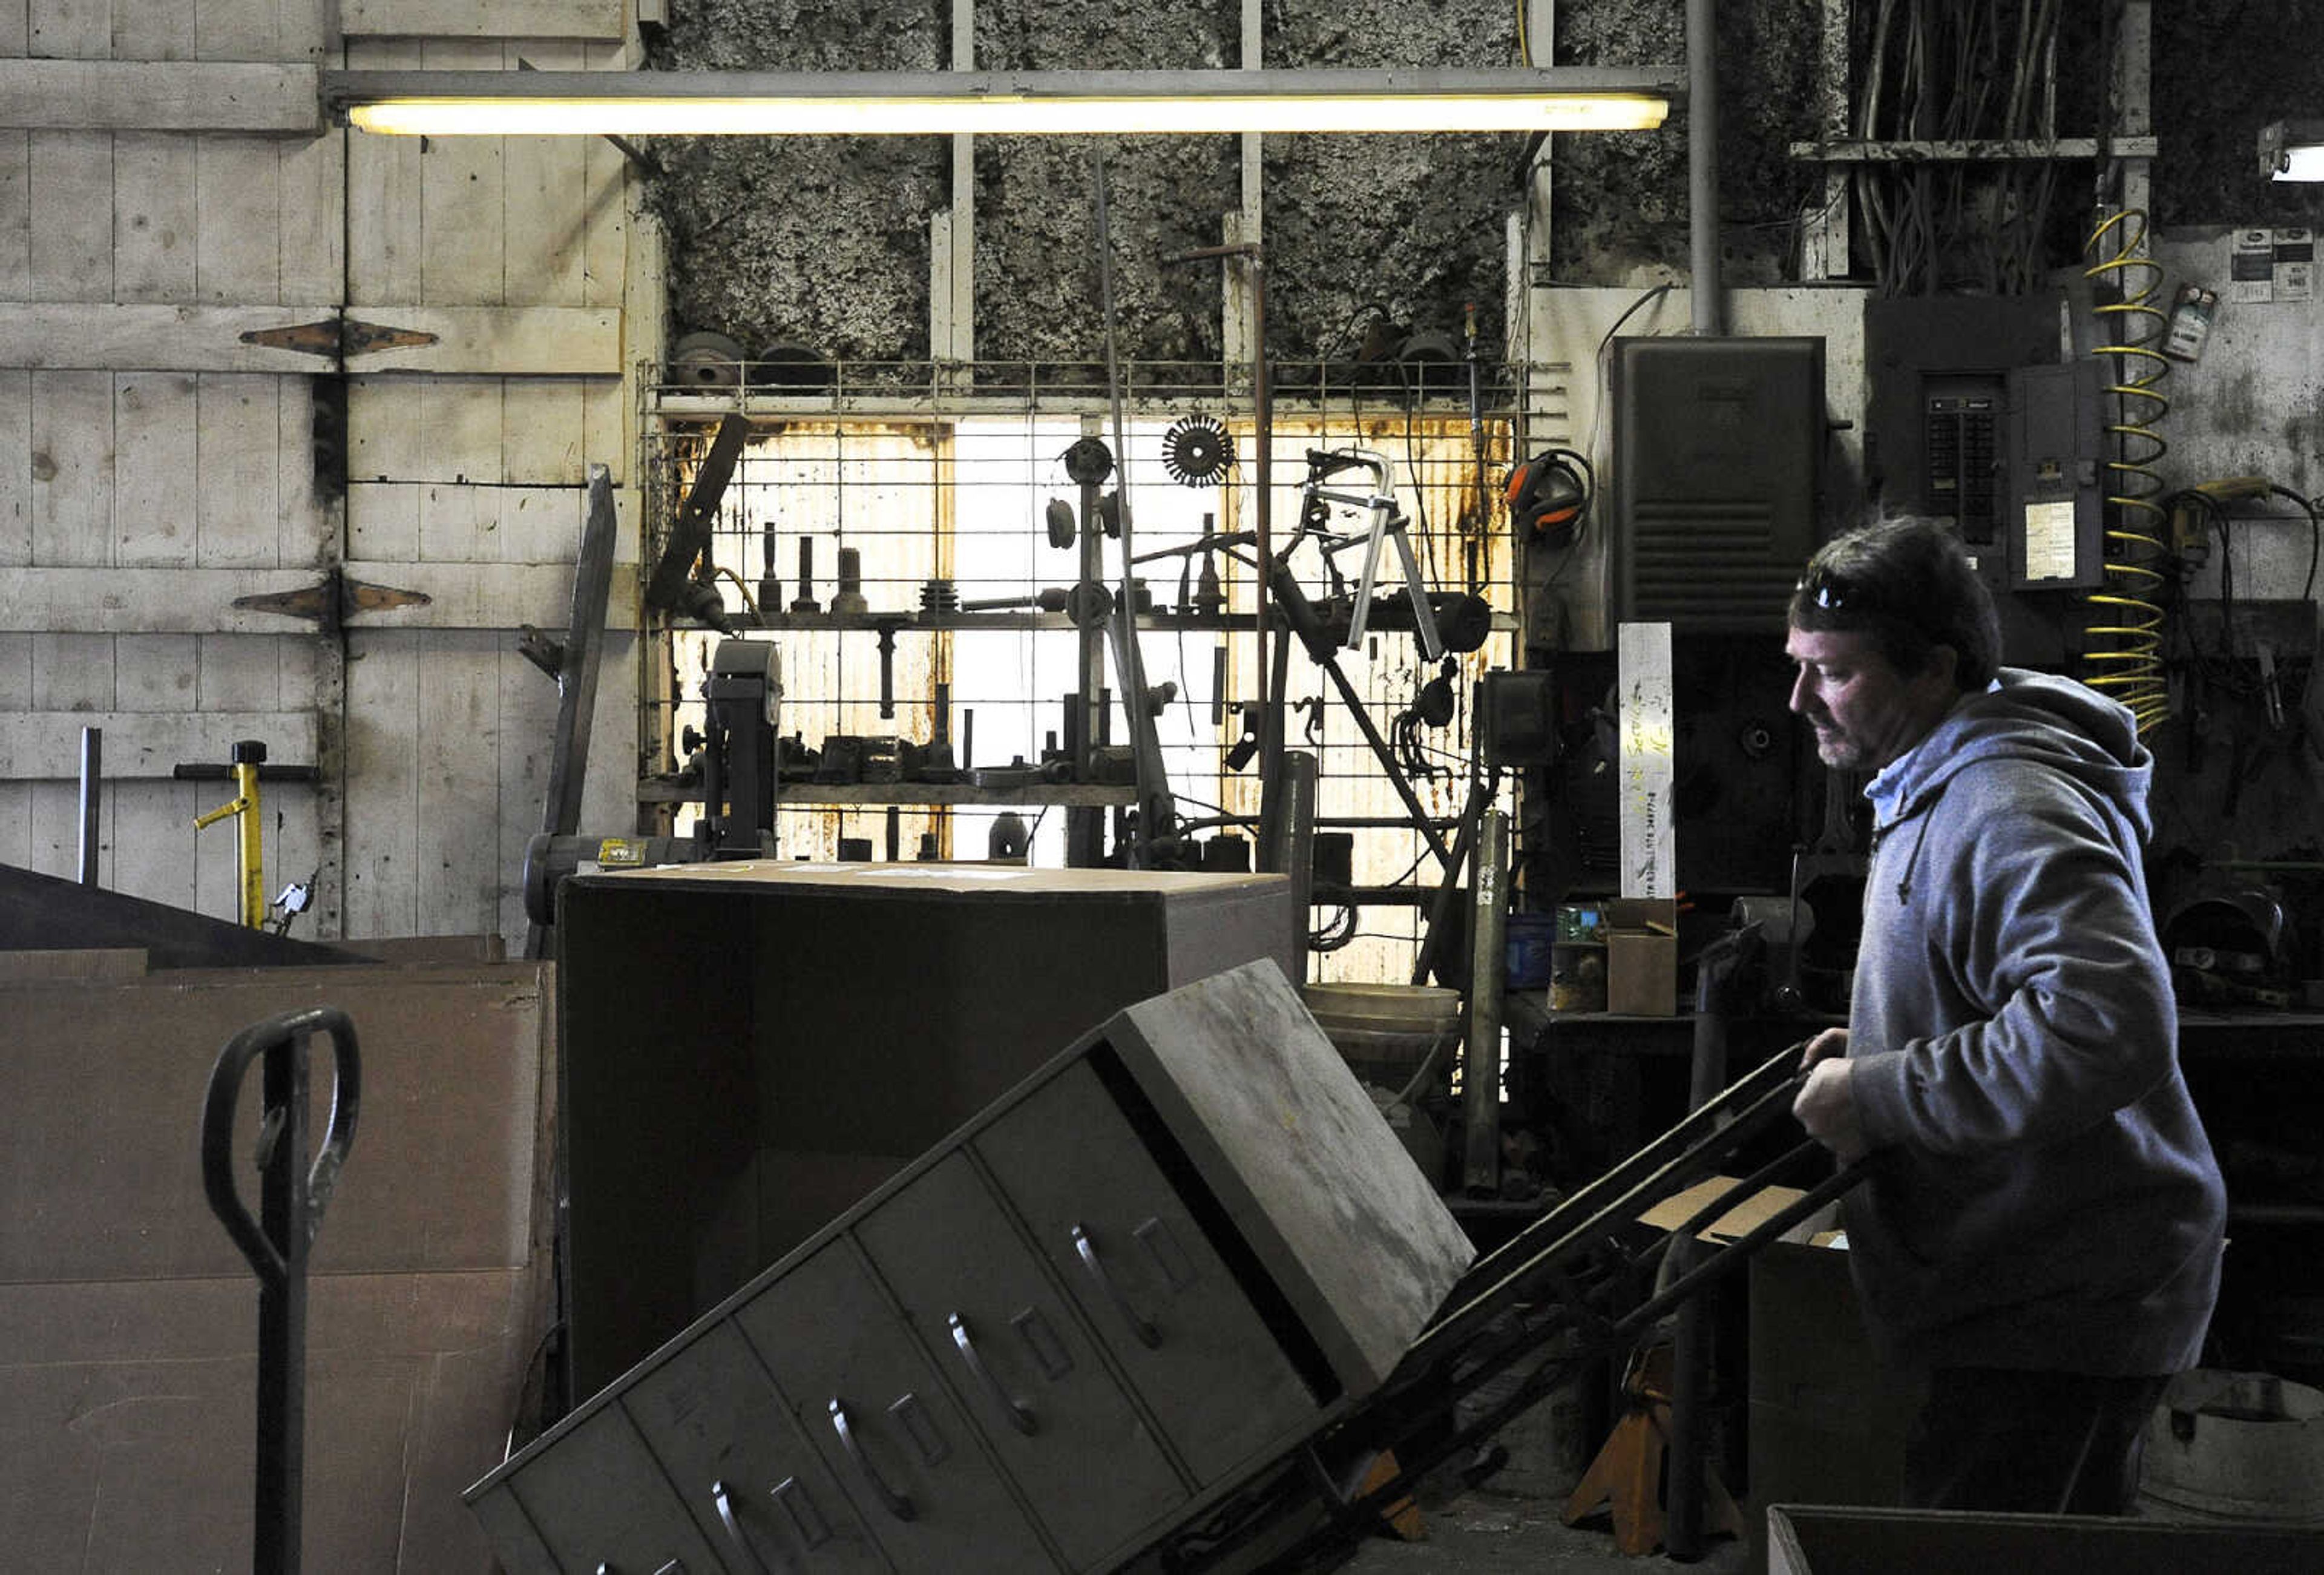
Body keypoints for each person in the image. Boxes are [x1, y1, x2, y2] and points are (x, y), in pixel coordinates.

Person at [1783, 518, 2226, 1516]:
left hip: (2058, 1303)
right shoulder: (1931, 779)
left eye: (1834, 672)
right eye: (1799, 665)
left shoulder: (2005, 800)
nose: (1800, 698)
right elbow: (2005, 991)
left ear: (1935, 669)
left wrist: (1887, 1091)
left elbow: (2105, 1027)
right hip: (2021, 1284)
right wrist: (1889, 1045)